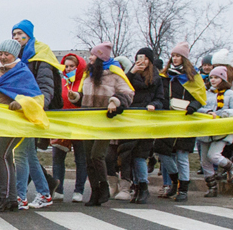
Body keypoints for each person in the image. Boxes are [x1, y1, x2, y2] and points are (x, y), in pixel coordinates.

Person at [70, 43, 134, 207]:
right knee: (87, 158)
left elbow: (127, 93)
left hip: (105, 122)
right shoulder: (90, 74)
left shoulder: (114, 73)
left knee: (97, 155)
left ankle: (104, 187)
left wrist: (115, 101)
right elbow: (86, 96)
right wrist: (76, 97)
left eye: (92, 55)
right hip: (88, 122)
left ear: (101, 57)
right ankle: (95, 190)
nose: (90, 58)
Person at [0, 39, 45, 212]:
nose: (3, 57)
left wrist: (20, 103)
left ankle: (2, 197)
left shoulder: (22, 72)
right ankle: (12, 199)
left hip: (15, 122)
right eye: (1, 54)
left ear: (15, 54)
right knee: (6, 157)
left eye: (7, 54)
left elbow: (36, 97)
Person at [10, 19, 61, 209]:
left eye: (19, 34)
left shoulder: (41, 55)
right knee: (29, 155)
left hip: (31, 110)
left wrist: (38, 107)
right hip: (21, 110)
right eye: (13, 34)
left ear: (29, 35)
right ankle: (45, 193)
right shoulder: (18, 57)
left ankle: (20, 197)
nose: (16, 37)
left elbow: (46, 86)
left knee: (21, 154)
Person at [116, 47, 166, 204]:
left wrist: (154, 105)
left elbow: (161, 99)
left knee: (140, 156)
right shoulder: (130, 76)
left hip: (146, 120)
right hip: (130, 121)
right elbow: (121, 89)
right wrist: (131, 72)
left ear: (150, 61)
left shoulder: (157, 79)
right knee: (128, 155)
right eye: (139, 58)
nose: (142, 62)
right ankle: (135, 186)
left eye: (145, 59)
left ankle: (143, 187)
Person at [154, 43, 203, 202]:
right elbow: (159, 94)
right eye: (173, 56)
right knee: (163, 152)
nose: (175, 59)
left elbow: (200, 96)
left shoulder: (193, 77)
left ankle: (183, 189)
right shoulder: (164, 76)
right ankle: (175, 181)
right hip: (167, 119)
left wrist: (193, 106)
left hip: (185, 118)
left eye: (178, 56)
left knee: (182, 155)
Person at [195, 67, 233, 197]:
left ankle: (230, 166)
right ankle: (212, 187)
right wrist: (207, 113)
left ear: (223, 79)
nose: (213, 80)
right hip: (206, 130)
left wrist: (222, 113)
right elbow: (199, 107)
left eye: (216, 77)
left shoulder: (229, 94)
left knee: (213, 155)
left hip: (221, 131)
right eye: (211, 77)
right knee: (205, 161)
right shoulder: (205, 92)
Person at [51, 51, 88, 202]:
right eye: (66, 66)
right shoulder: (61, 82)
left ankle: (79, 190)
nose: (68, 69)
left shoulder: (85, 81)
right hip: (62, 124)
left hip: (80, 125)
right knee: (58, 157)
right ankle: (58, 190)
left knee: (81, 159)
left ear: (79, 67)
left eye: (72, 66)